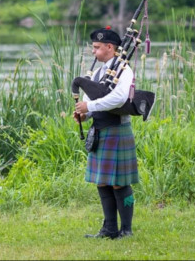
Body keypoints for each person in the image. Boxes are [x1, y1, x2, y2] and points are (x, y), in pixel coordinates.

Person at [73, 26, 139, 239]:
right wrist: (85, 114)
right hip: (100, 130)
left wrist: (89, 107)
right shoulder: (101, 72)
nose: (93, 51)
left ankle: (126, 230)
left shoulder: (124, 70)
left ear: (110, 47)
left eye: (97, 47)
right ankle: (109, 229)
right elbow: (95, 100)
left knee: (120, 183)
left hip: (117, 130)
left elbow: (118, 99)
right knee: (102, 181)